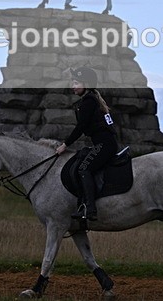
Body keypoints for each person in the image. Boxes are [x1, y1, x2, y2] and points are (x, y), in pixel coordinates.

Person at [55, 67, 117, 221]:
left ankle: (89, 208)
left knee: (84, 169)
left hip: (104, 144)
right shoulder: (93, 100)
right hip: (104, 143)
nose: (73, 86)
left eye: (76, 83)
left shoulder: (88, 102)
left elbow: (81, 127)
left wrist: (65, 145)